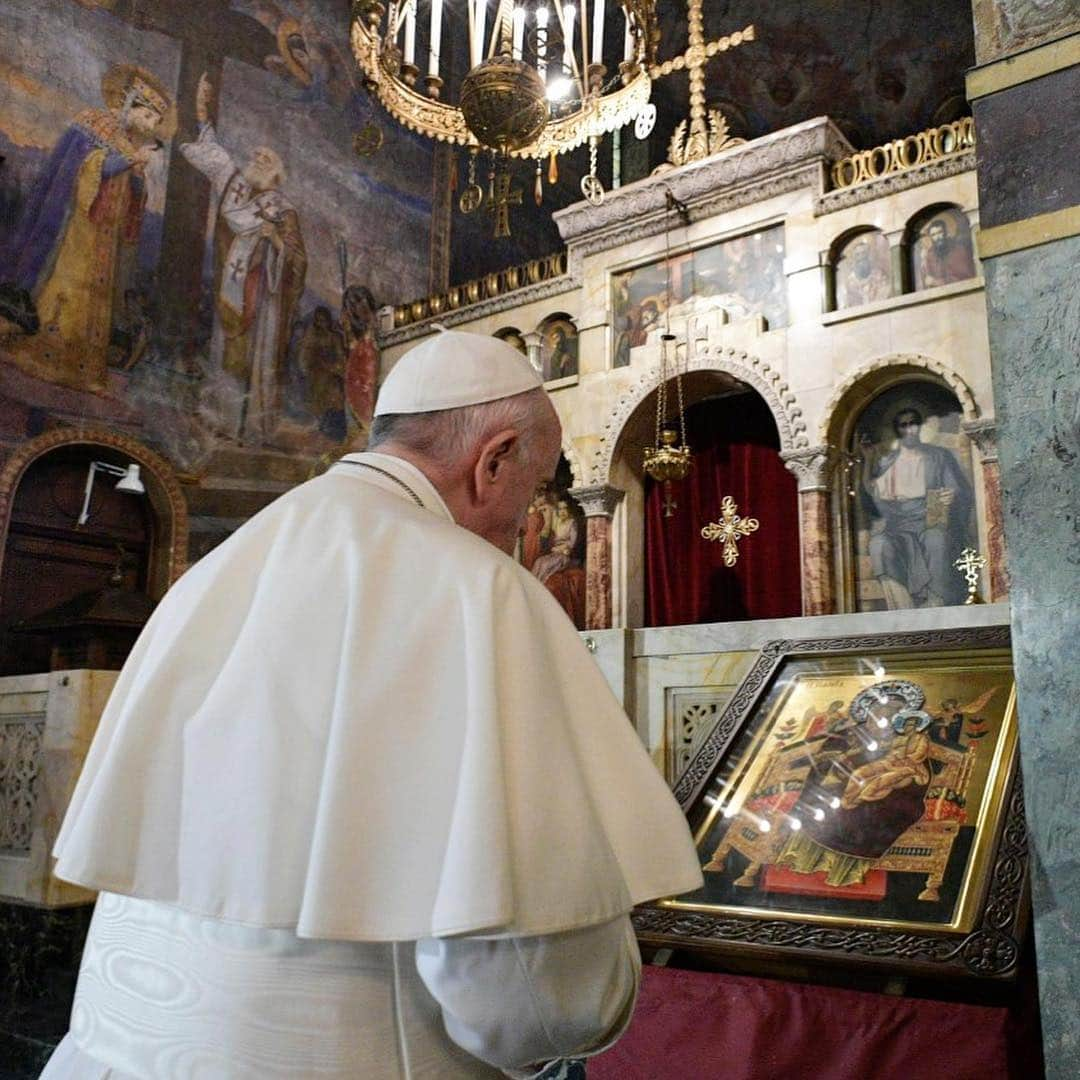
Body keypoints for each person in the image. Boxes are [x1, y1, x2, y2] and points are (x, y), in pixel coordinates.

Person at [41, 330, 703, 1079]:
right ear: (494, 460)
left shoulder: (217, 568)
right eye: (534, 491)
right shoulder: (476, 591)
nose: (523, 527)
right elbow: (527, 989)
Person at [0, 64, 172, 391]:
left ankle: (82, 369)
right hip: (74, 230)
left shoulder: (130, 145)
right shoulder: (95, 124)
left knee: (95, 298)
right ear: (131, 102)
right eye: (148, 117)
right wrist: (130, 160)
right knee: (64, 288)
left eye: (155, 122)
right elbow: (88, 168)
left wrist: (139, 178)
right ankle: (42, 354)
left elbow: (133, 196)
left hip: (105, 238)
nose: (151, 127)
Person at [181, 72, 307, 444]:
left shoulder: (283, 210)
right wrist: (201, 107)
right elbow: (212, 154)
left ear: (276, 173)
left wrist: (276, 244)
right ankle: (218, 416)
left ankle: (244, 426)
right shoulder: (235, 186)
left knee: (251, 360)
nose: (255, 158)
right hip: (232, 288)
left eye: (263, 158)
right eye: (254, 155)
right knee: (225, 351)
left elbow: (297, 261)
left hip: (263, 297)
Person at [859, 407, 973, 609]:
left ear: (919, 427)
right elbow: (872, 494)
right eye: (904, 425)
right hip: (899, 524)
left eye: (913, 424)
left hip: (931, 517)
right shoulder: (888, 461)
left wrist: (951, 496)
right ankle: (903, 609)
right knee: (879, 545)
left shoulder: (938, 456)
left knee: (936, 540)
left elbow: (958, 489)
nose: (909, 429)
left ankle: (937, 603)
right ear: (897, 430)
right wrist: (868, 460)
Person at [917, 216, 976, 289]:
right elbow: (926, 281)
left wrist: (937, 282)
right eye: (934, 235)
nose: (937, 237)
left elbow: (966, 278)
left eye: (939, 232)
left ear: (945, 232)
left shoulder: (958, 250)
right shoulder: (930, 254)